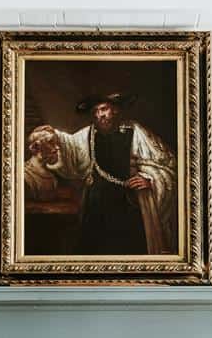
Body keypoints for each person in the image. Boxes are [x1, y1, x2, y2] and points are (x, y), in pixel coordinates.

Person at [31, 93, 176, 254]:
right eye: (95, 112)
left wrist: (150, 179)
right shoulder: (88, 134)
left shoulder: (135, 131)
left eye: (104, 109)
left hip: (129, 205)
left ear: (114, 110)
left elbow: (165, 163)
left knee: (130, 251)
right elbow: (69, 146)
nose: (100, 115)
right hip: (96, 206)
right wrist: (52, 136)